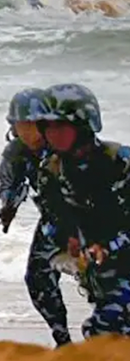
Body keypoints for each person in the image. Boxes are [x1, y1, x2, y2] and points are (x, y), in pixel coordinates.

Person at [32, 83, 130, 339]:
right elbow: (52, 219)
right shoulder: (51, 171)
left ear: (83, 125)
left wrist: (109, 245)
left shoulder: (121, 163)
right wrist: (67, 239)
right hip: (102, 274)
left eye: (61, 126)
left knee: (102, 330)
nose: (53, 134)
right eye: (48, 127)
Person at [0, 88, 72, 347]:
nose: (27, 131)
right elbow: (10, 182)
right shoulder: (17, 151)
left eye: (32, 124)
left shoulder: (70, 145)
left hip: (91, 219)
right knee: (38, 280)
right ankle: (63, 341)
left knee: (104, 280)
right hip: (53, 222)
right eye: (21, 125)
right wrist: (8, 206)